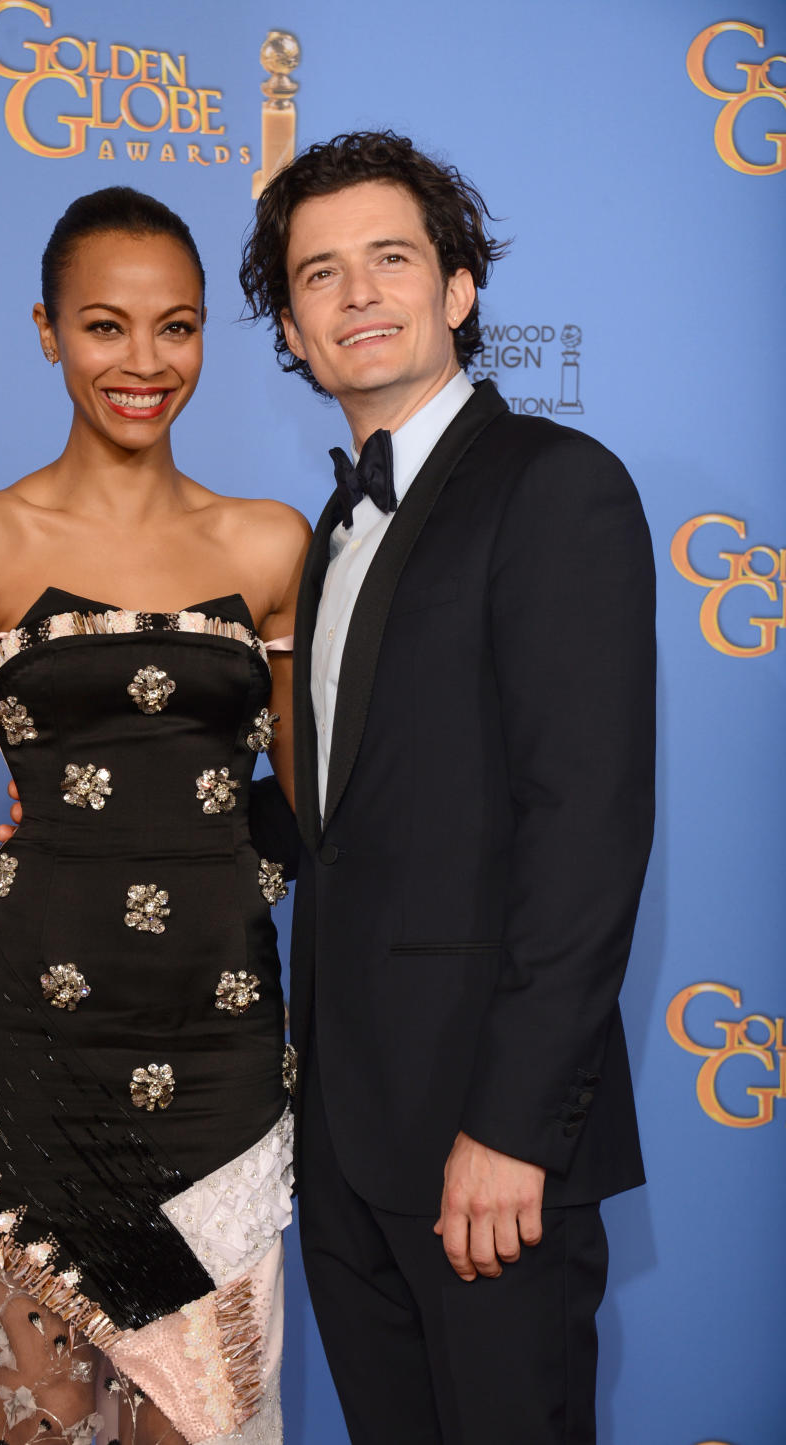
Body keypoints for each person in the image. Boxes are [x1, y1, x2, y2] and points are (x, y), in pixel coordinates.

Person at [236, 131, 656, 1444]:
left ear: (458, 289)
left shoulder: (555, 488)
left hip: (487, 1145)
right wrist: (119, 806)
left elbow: (585, 830)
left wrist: (515, 1130)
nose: (357, 294)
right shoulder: (327, 533)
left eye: (390, 259)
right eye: (318, 274)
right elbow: (346, 824)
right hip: (348, 1139)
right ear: (293, 328)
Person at [0, 186, 309, 1444]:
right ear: (48, 329)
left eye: (175, 328)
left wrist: (225, 870)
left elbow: (322, 799)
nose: (144, 363)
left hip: (222, 1062)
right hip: (28, 1062)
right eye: (106, 327)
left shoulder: (274, 543)